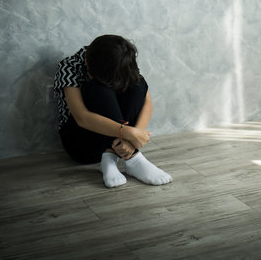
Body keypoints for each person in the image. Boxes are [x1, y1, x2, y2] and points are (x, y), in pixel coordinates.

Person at [53, 34, 172, 188]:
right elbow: (82, 117)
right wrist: (128, 134)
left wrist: (136, 135)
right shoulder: (68, 66)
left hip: (120, 140)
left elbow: (147, 103)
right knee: (97, 88)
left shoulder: (117, 60)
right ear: (87, 62)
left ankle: (113, 157)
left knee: (137, 82)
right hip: (82, 142)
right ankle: (134, 159)